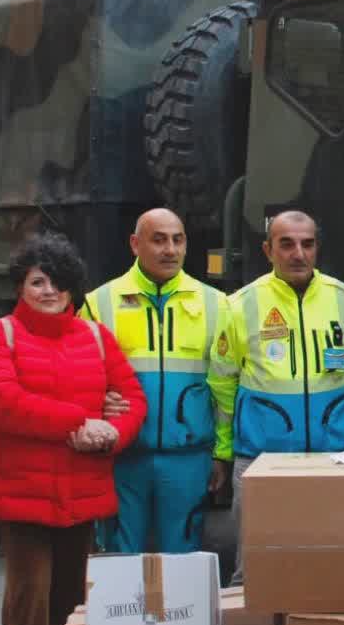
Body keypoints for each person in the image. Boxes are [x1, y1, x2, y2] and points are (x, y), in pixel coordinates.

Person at [0, 232, 146, 625]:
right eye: (37, 282)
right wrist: (80, 422)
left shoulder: (95, 336)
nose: (49, 291)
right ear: (20, 288)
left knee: (71, 606)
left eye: (58, 283)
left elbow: (130, 398)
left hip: (80, 494)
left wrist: (113, 433)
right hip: (22, 496)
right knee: (29, 602)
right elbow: (1, 400)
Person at [221, 210, 344, 579]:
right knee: (254, 571)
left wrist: (330, 419)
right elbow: (223, 381)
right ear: (267, 250)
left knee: (328, 566)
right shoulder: (242, 304)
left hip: (330, 457)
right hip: (260, 458)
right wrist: (225, 449)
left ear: (317, 248)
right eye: (286, 244)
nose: (298, 254)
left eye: (307, 244)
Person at [80, 208, 235, 555]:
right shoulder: (100, 303)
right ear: (135, 244)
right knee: (120, 558)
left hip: (188, 457)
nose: (170, 250)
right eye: (159, 239)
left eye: (177, 240)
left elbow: (225, 389)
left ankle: (175, 613)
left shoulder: (217, 304)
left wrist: (221, 454)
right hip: (121, 457)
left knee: (182, 558)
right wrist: (97, 408)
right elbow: (77, 377)